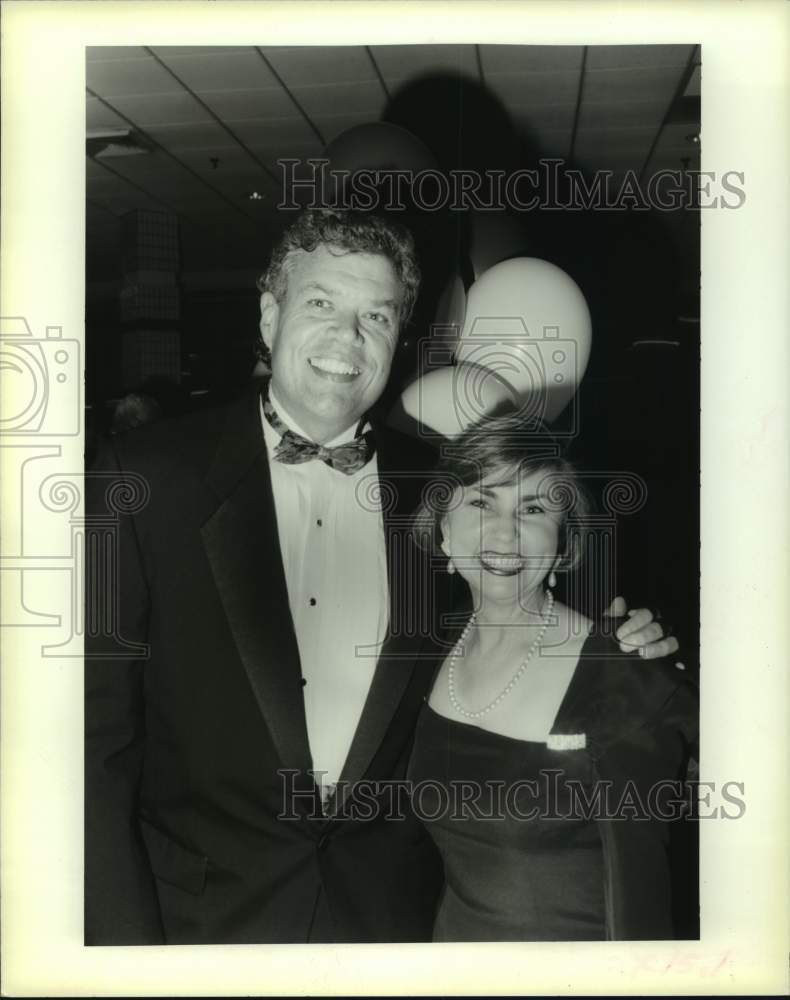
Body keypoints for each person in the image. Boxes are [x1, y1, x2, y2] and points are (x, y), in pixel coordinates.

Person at [85, 208, 674, 945]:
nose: (348, 339)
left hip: (392, 931)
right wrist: (119, 957)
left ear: (399, 339)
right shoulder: (145, 479)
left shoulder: (436, 487)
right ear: (270, 317)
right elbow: (92, 747)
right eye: (322, 304)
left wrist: (618, 642)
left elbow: (510, 589)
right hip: (201, 930)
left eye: (377, 315)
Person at [407, 413, 698, 941]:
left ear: (562, 545)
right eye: (480, 502)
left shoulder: (623, 672)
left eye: (534, 508)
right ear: (444, 530)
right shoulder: (427, 658)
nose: (504, 531)